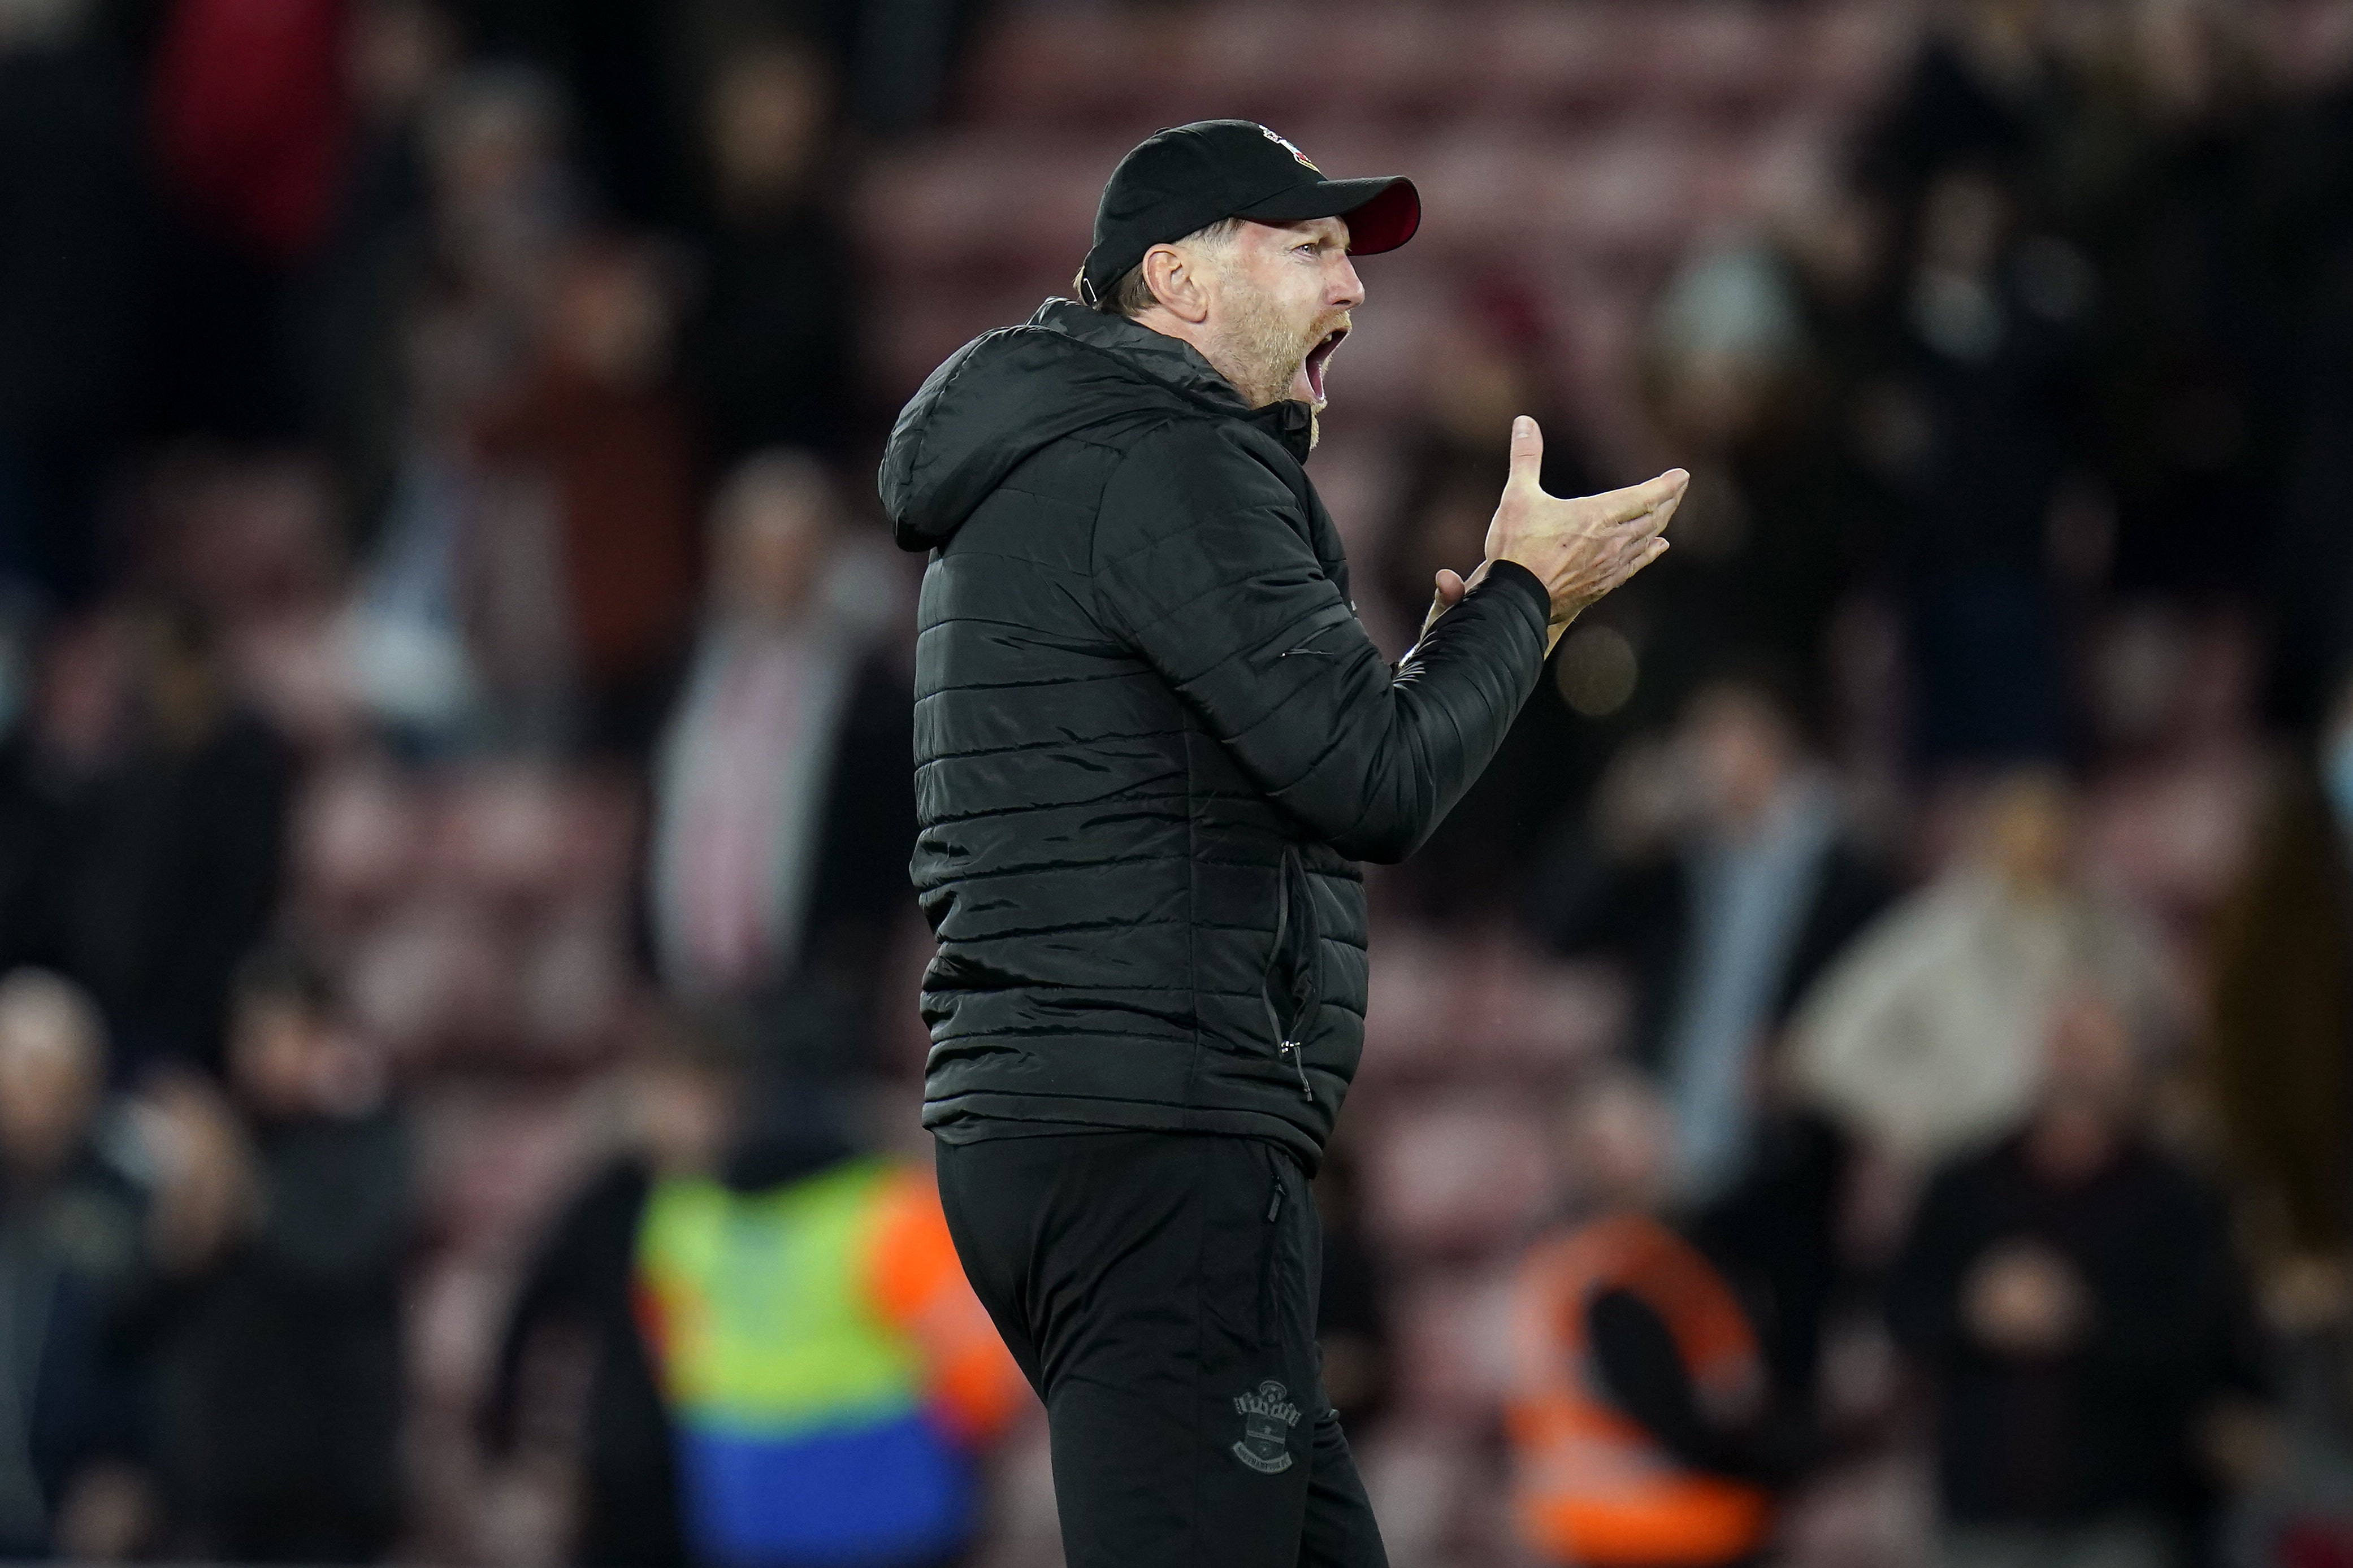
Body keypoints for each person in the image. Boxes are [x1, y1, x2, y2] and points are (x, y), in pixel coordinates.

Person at [878, 119, 1685, 1566]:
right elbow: (1374, 782)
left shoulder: (1044, 469)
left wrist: (1464, 634)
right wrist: (1521, 601)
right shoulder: (1173, 462)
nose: (1353, 288)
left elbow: (1268, 747)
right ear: (1177, 282)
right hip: (1158, 1138)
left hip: (1067, 1125)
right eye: (1308, 248)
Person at [488, 1024, 1024, 1568]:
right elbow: (984, 1379)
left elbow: (671, 1357)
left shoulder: (682, 1218)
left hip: (747, 1523)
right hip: (899, 1520)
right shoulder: (889, 1212)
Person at [1886, 988, 2260, 1568]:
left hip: (2122, 1511)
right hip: (1983, 1507)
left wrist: (2080, 1318)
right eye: (2064, 1041)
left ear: (2132, 1057)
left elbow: (2204, 1346)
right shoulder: (1969, 1181)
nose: (2076, 1059)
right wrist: (1975, 1310)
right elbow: (1902, 1308)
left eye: (2094, 1043)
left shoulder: (2176, 1197)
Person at [1534, 672, 1895, 1201]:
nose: (1707, 761)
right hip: (1658, 1138)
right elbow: (1556, 930)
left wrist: (1813, 1048)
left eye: (1724, 739)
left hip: (1786, 1157)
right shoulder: (1673, 859)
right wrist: (1614, 834)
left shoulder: (1845, 867)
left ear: (1775, 744)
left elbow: (1879, 984)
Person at [138, 948, 411, 1563]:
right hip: (225, 1484)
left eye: (279, 1033)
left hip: (329, 1487)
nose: (261, 1054)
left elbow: (339, 1254)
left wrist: (238, 1192)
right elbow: (139, 1303)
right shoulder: (214, 1144)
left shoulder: (366, 1137)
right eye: (249, 1034)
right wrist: (179, 1224)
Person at [648, 453, 913, 1031]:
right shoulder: (686, 672)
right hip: (686, 993)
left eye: (794, 552)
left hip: (817, 995)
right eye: (758, 553)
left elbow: (886, 834)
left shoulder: (873, 695)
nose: (776, 573)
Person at [1787, 770, 2168, 1171]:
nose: (2039, 849)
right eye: (2024, 833)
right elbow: (1825, 1048)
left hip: (2091, 1155)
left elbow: (2160, 1029)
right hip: (1975, 1160)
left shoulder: (2109, 925)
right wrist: (1934, 1114)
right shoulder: (1941, 930)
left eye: (2053, 835)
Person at [1504, 1070, 1798, 1568]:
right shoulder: (1624, 1273)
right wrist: (1789, 1458)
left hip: (1589, 1528)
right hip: (1677, 1529)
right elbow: (1676, 1417)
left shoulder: (1562, 1264)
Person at [0, 970, 153, 1561]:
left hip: (76, 1520)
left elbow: (164, 1357)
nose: (40, 1096)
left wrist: (142, 1470)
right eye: (22, 1070)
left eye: (59, 1074)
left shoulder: (132, 1206)